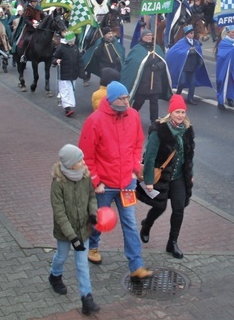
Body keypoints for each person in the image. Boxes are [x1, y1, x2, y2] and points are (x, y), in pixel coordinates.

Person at [78, 81, 153, 281]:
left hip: (127, 183)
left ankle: (136, 265)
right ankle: (92, 246)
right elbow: (87, 156)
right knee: (99, 222)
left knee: (129, 223)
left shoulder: (133, 116)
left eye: (128, 97)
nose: (127, 101)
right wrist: (96, 181)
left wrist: (135, 166)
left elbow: (138, 143)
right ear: (111, 100)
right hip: (104, 185)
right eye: (122, 98)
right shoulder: (94, 121)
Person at [138, 94, 195, 259]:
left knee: (179, 209)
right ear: (170, 113)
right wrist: (148, 181)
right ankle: (147, 224)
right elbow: (149, 157)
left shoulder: (187, 130)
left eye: (183, 112)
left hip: (178, 177)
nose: (180, 115)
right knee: (159, 207)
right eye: (177, 112)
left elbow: (189, 156)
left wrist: (189, 174)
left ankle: (172, 243)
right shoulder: (160, 130)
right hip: (161, 176)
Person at [48, 144, 100, 316]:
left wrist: (93, 213)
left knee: (82, 263)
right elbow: (59, 213)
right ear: (70, 164)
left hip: (83, 228)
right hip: (65, 232)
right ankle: (55, 275)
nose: (83, 162)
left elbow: (92, 196)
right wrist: (72, 237)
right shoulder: (58, 183)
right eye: (80, 160)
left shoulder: (85, 177)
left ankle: (87, 298)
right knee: (61, 256)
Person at [121, 30, 171, 123]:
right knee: (139, 101)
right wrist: (147, 63)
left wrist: (157, 66)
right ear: (143, 37)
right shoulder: (138, 49)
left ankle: (154, 121)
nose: (149, 37)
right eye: (147, 35)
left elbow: (163, 61)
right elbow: (133, 63)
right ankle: (131, 116)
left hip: (155, 81)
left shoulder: (156, 48)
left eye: (150, 35)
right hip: (143, 82)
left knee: (154, 103)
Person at [166, 25, 212, 105]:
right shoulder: (182, 42)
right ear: (186, 34)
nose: (192, 34)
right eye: (190, 33)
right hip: (184, 66)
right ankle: (178, 94)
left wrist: (200, 60)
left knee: (192, 83)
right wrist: (189, 51)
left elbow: (198, 51)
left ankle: (190, 99)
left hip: (193, 66)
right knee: (182, 82)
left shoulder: (196, 42)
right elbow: (177, 52)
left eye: (193, 33)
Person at [54, 32, 82, 117]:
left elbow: (79, 60)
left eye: (73, 40)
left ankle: (69, 105)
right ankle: (67, 108)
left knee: (71, 90)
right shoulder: (61, 48)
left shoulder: (75, 48)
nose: (72, 42)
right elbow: (54, 57)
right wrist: (56, 61)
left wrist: (81, 71)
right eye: (71, 41)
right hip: (63, 74)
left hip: (73, 74)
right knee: (65, 90)